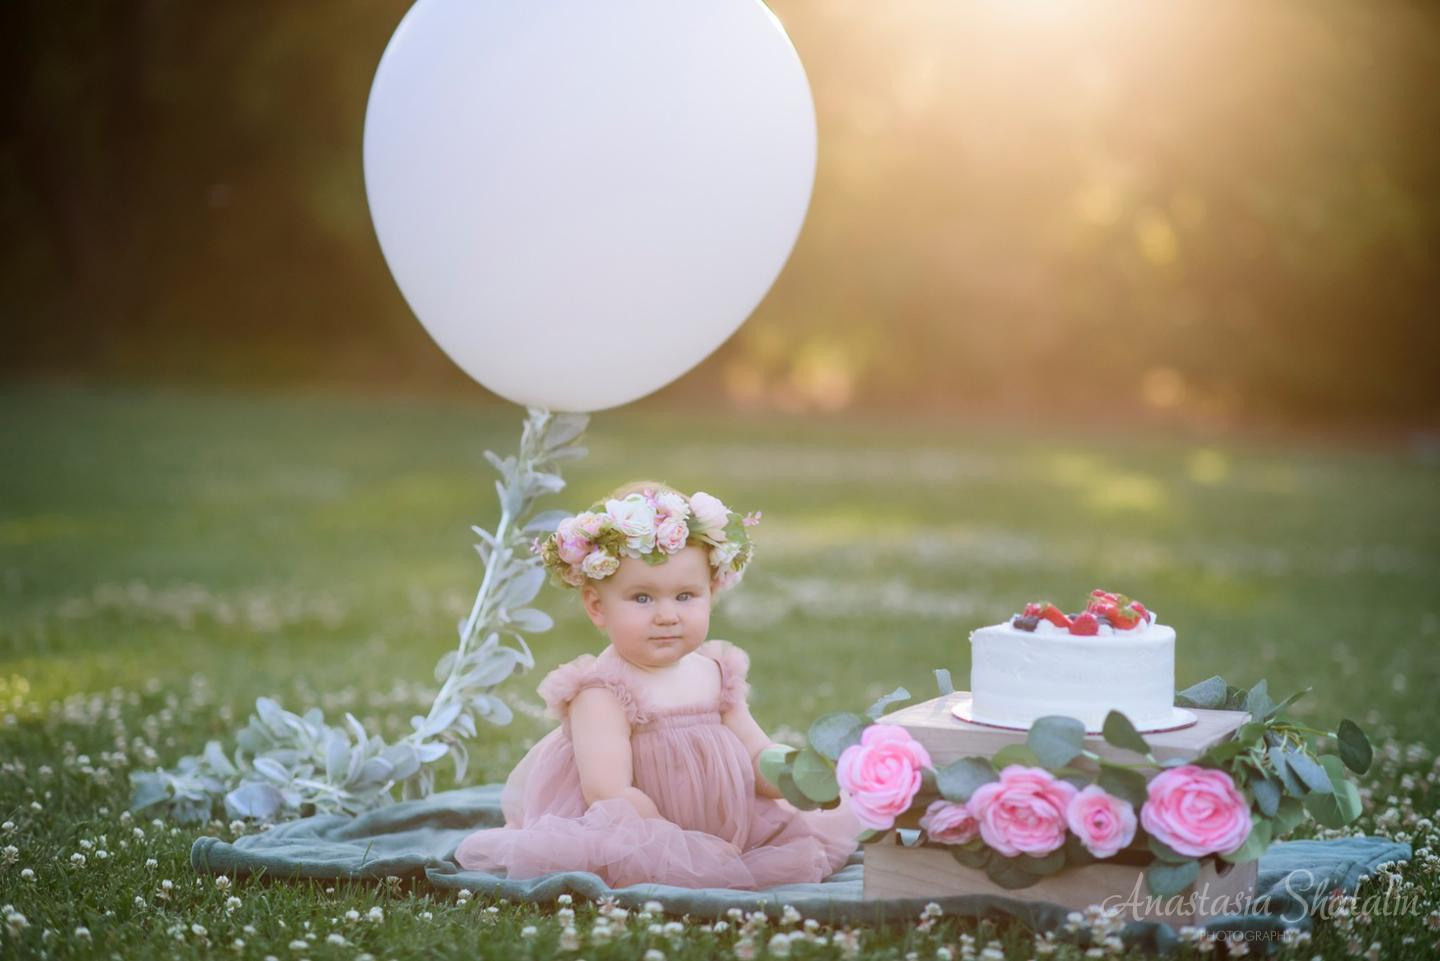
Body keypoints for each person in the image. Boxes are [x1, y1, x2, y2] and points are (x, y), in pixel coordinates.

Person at [454, 480, 861, 889]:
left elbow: (756, 752)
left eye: (685, 596)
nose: (667, 615)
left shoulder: (715, 671)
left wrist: (794, 777)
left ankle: (738, 844)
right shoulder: (602, 692)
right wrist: (681, 850)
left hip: (727, 828)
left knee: (800, 833)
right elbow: (609, 792)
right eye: (643, 598)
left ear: (712, 592)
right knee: (636, 854)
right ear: (598, 606)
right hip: (637, 833)